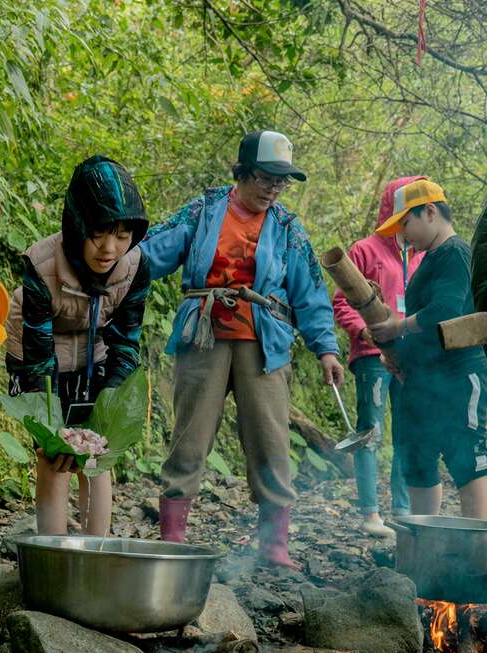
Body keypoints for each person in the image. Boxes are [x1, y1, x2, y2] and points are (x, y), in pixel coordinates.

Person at [142, 130, 343, 569]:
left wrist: (326, 348)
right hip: (204, 336)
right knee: (190, 439)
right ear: (244, 172)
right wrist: (115, 263)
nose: (274, 188)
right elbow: (153, 251)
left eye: (282, 181)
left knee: (270, 442)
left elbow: (310, 291)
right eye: (266, 178)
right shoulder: (204, 210)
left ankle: (274, 546)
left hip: (264, 342)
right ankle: (173, 539)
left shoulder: (288, 228)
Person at [4, 155, 151, 537]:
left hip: (93, 349)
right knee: (54, 459)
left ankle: (95, 554)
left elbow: (126, 342)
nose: (110, 248)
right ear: (77, 225)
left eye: (122, 235)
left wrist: (107, 414)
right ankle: (52, 557)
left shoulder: (136, 267)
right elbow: (38, 354)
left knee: (96, 458)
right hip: (36, 354)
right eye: (99, 232)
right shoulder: (40, 264)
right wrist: (55, 430)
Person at [368, 179, 487, 519]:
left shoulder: (455, 253)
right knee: (417, 460)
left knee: (468, 460)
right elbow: (428, 328)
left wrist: (398, 327)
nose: (403, 235)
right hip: (424, 381)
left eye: (406, 223)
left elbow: (446, 312)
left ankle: (477, 557)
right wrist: (400, 353)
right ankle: (423, 548)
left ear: (430, 212)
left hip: (458, 376)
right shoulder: (432, 258)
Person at [332, 177, 425, 537]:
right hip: (371, 354)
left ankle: (401, 512)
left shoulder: (421, 253)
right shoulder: (365, 250)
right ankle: (370, 516)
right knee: (370, 431)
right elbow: (342, 301)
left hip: (410, 357)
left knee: (407, 431)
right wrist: (361, 330)